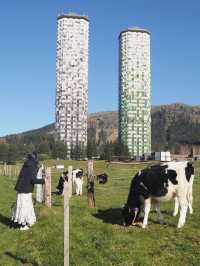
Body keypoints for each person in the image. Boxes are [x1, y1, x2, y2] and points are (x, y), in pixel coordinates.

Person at [11, 152, 45, 230]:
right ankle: (23, 225)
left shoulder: (27, 164)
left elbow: (30, 175)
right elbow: (33, 179)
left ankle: (24, 222)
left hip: (21, 189)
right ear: (35, 159)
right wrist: (44, 180)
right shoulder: (32, 166)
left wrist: (38, 168)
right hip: (26, 190)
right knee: (25, 207)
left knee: (22, 206)